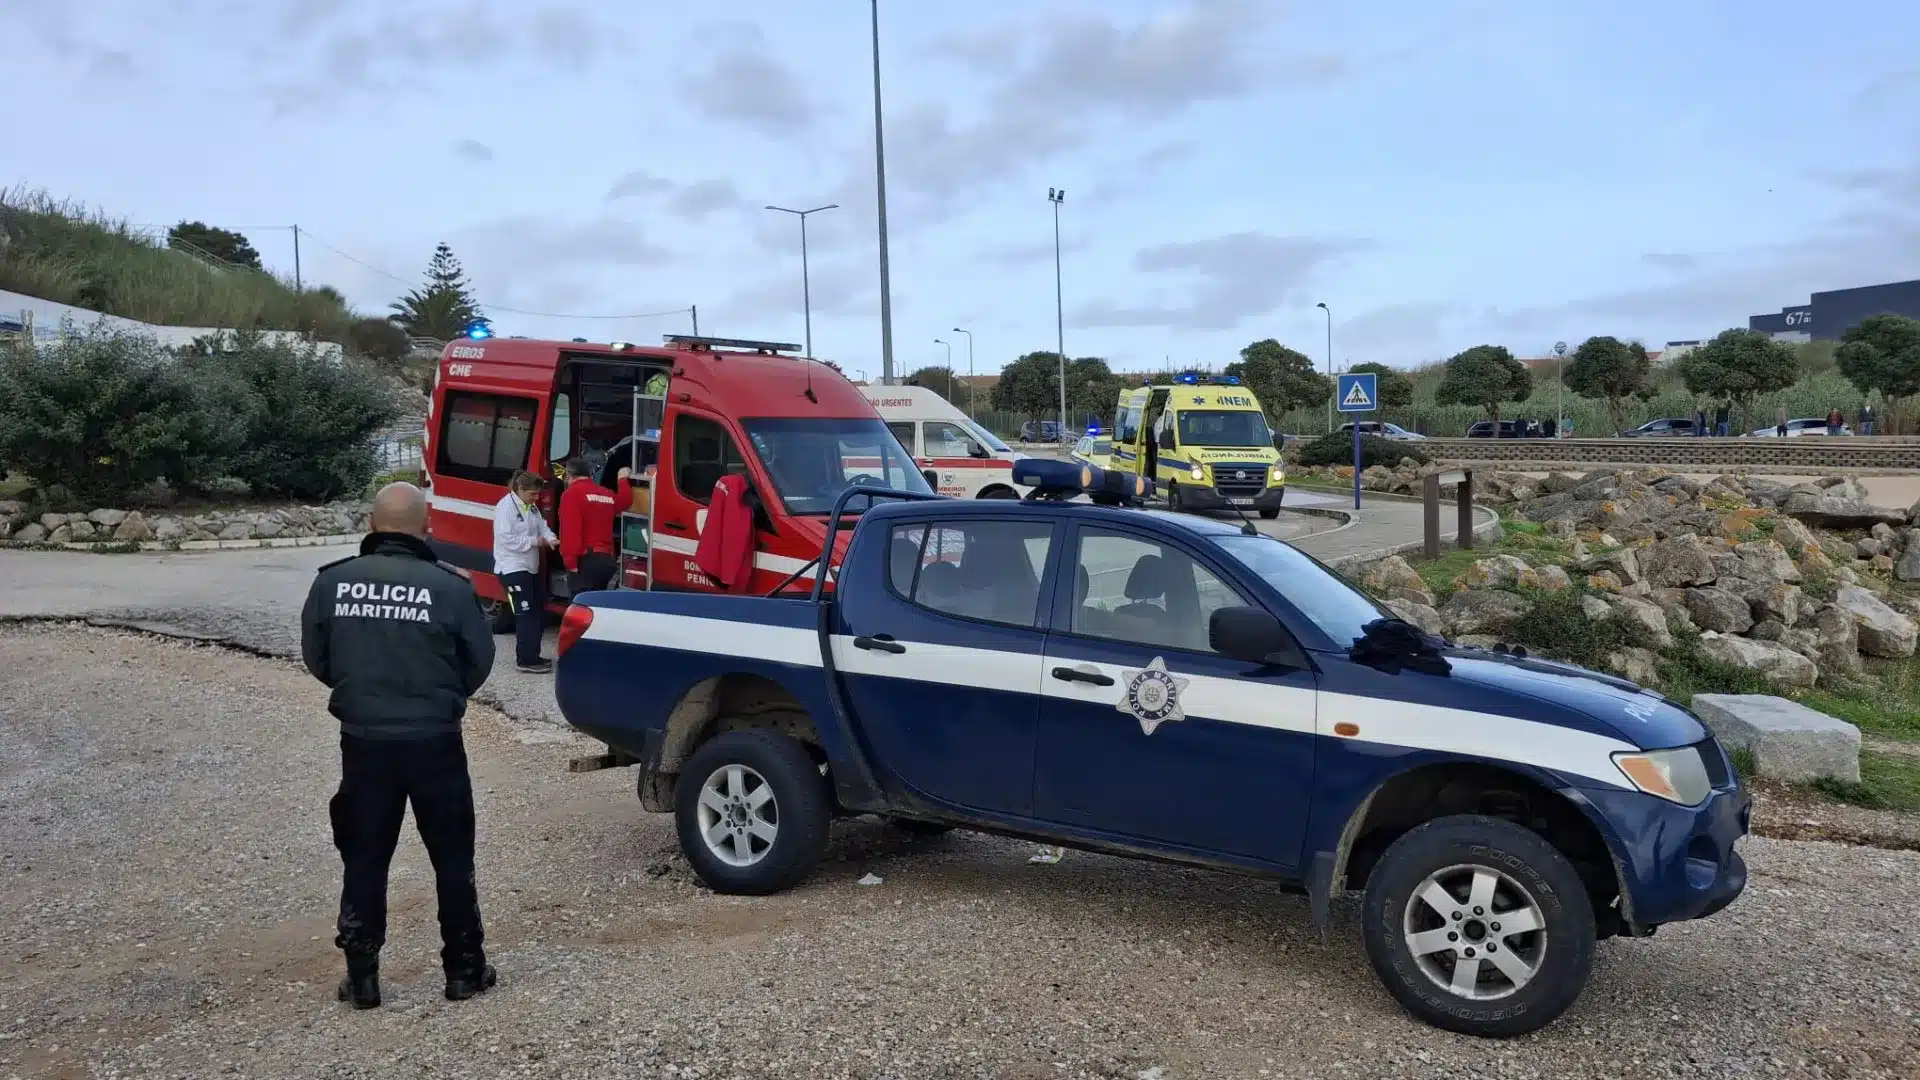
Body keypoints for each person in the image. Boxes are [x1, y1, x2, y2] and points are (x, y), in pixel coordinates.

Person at [299, 482, 498, 1011]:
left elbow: (317, 658)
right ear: (425, 528)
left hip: (364, 742)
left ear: (370, 524)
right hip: (435, 741)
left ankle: (363, 978)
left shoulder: (332, 583)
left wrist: (367, 696)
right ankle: (464, 971)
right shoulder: (451, 587)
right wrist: (438, 697)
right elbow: (477, 662)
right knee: (452, 857)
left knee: (364, 856)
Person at [493, 470, 557, 673]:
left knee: (538, 610)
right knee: (525, 613)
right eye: (533, 494)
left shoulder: (531, 507)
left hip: (530, 567)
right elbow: (506, 539)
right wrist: (534, 542)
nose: (536, 498)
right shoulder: (506, 508)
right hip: (512, 567)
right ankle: (525, 659)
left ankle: (533, 655)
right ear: (520, 489)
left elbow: (542, 526)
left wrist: (549, 537)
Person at [558, 456, 619, 594]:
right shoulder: (606, 493)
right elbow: (625, 501)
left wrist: (570, 562)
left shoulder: (571, 494)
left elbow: (570, 532)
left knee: (580, 607)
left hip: (585, 561)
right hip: (607, 560)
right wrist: (622, 480)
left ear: (569, 474)